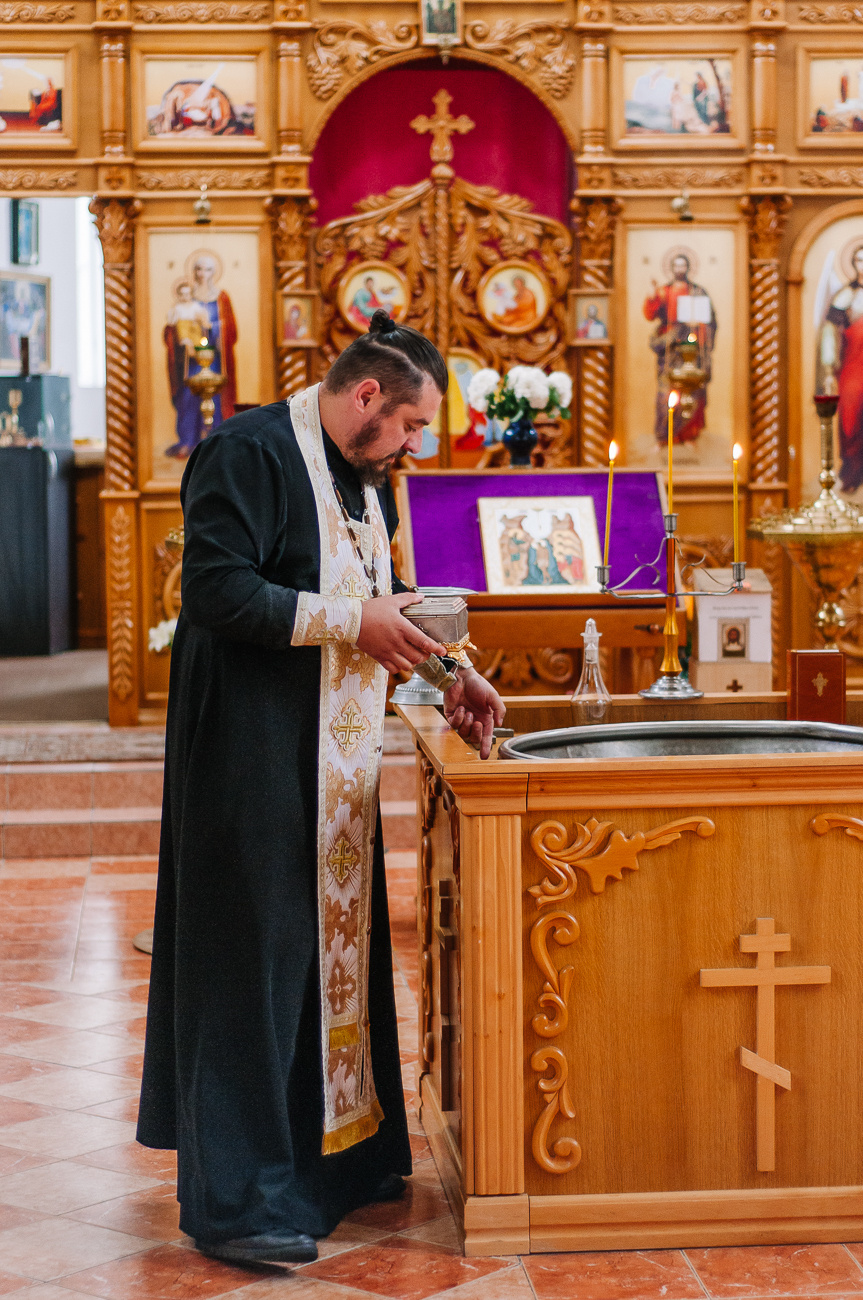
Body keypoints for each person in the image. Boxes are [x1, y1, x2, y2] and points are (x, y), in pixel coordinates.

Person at [137, 309, 506, 1268]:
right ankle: (239, 1200)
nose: (417, 446)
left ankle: (336, 1159)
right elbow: (216, 593)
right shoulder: (246, 453)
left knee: (323, 953)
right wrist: (353, 623)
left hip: (330, 759)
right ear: (367, 396)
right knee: (252, 964)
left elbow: (383, 598)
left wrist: (451, 668)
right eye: (414, 425)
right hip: (250, 755)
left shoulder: (360, 474)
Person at [643, 252, 716, 446]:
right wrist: (652, 297)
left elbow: (710, 320)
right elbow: (651, 314)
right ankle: (664, 437)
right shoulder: (663, 291)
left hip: (693, 347)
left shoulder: (698, 291)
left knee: (694, 391)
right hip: (669, 348)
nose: (679, 269)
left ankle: (689, 435)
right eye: (676, 266)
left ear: (688, 268)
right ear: (672, 268)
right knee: (665, 392)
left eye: (683, 266)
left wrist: (699, 327)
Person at [819, 243, 863, 492]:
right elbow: (829, 332)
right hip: (854, 366)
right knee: (850, 417)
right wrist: (828, 367)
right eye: (859, 260)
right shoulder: (845, 297)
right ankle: (851, 473)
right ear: (853, 264)